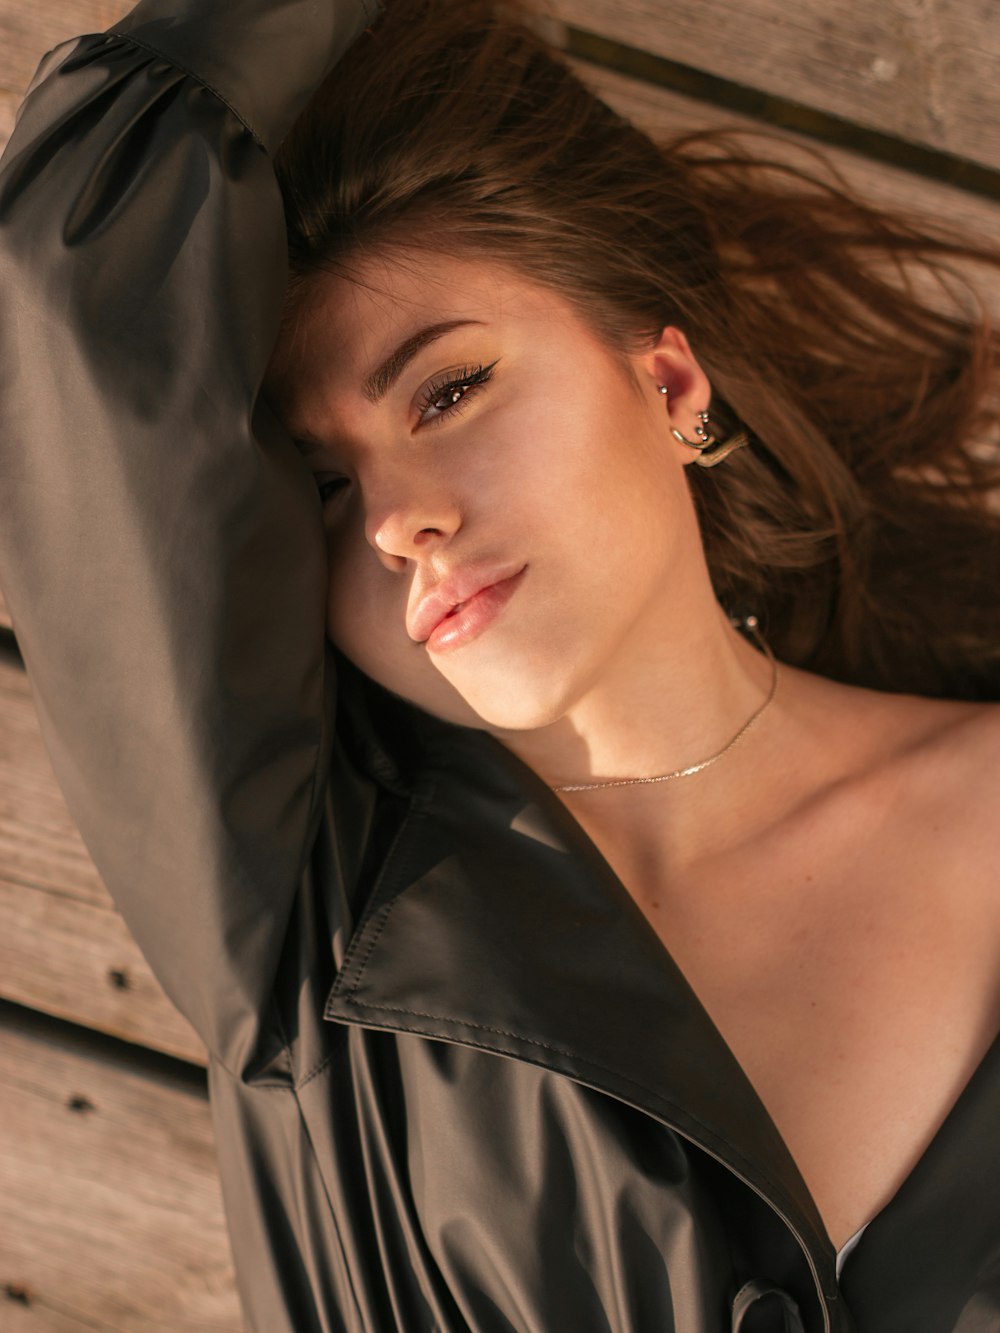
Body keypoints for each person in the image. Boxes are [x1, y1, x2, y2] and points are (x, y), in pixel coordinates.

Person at [1, 0, 998, 1328]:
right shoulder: (318, 937)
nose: (395, 515)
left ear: (671, 383)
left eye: (450, 391)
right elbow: (88, 265)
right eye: (324, 485)